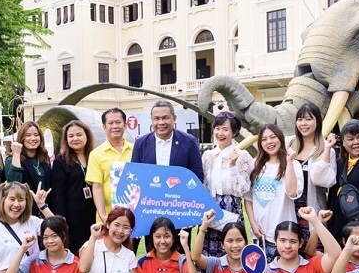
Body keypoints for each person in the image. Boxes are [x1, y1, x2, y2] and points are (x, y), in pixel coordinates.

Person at [244, 124, 303, 258]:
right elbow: (248, 199)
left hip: (284, 237)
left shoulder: (293, 164)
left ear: (280, 139)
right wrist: (253, 224)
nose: (269, 142)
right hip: (260, 236)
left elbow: (292, 192)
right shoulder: (255, 165)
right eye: (264, 139)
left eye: (272, 137)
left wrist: (289, 162)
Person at [200, 111, 254, 258]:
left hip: (231, 208)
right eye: (217, 128)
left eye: (225, 129)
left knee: (232, 250)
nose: (220, 133)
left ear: (234, 132)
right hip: (211, 209)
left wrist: (232, 167)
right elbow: (204, 185)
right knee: (210, 256)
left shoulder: (242, 156)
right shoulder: (208, 156)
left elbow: (243, 189)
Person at [289, 104, 338, 245]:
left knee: (313, 254)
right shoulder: (290, 145)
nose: (303, 124)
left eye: (308, 119)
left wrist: (327, 150)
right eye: (300, 119)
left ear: (318, 121)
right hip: (288, 210)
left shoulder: (326, 149)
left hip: (312, 210)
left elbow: (322, 180)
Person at [50, 120, 97, 253]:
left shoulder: (95, 156)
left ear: (87, 136)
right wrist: (61, 219)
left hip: (94, 212)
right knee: (76, 252)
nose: (75, 138)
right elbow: (58, 193)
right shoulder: (61, 160)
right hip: (72, 217)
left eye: (79, 135)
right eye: (70, 136)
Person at [130, 101, 204, 180]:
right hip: (149, 191)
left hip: (179, 191)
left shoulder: (189, 142)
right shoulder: (140, 143)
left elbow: (197, 175)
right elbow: (135, 174)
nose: (161, 122)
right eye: (156, 119)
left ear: (174, 118)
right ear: (151, 120)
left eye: (165, 118)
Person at [86, 108, 133, 223]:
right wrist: (102, 215)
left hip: (133, 216)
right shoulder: (96, 154)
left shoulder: (136, 149)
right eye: (110, 123)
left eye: (118, 122)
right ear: (104, 127)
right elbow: (96, 187)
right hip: (108, 217)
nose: (115, 126)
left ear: (125, 125)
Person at [4, 120, 53, 213]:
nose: (33, 138)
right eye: (28, 135)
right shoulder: (12, 159)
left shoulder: (44, 159)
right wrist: (17, 154)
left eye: (36, 135)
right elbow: (14, 185)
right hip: (25, 212)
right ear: (22, 138)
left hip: (46, 211)